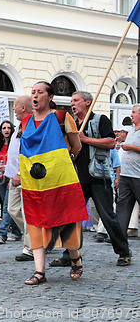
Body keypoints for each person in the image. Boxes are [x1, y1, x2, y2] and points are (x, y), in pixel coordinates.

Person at [51, 91, 132, 267]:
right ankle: (70, 255)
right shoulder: (70, 123)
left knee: (107, 216)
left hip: (97, 176)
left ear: (87, 102)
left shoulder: (100, 120)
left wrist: (86, 139)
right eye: (71, 100)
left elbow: (111, 143)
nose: (72, 103)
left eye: (76, 100)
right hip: (76, 176)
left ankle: (123, 251)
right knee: (72, 217)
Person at [20, 82, 86, 285]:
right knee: (35, 222)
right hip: (34, 183)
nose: (35, 95)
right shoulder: (25, 122)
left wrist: (62, 164)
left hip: (60, 181)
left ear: (49, 97)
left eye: (40, 92)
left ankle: (75, 258)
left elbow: (76, 146)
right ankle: (40, 271)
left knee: (65, 220)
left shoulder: (61, 117)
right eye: (33, 92)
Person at [4, 95, 34, 261]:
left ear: (23, 108)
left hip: (24, 177)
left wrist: (20, 174)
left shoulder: (31, 124)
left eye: (15, 106)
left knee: (27, 213)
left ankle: (30, 248)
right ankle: (39, 236)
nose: (13, 109)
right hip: (14, 178)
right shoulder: (20, 125)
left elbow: (29, 153)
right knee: (13, 210)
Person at [0, 120, 22, 244]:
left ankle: (2, 233)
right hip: (0, 178)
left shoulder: (15, 143)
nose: (6, 130)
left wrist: (7, 167)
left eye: (8, 128)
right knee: (8, 206)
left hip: (12, 178)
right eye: (4, 128)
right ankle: (17, 231)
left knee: (7, 207)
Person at [116, 105, 140, 242]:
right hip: (126, 175)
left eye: (133, 112)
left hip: (138, 176)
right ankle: (121, 245)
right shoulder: (131, 130)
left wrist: (130, 147)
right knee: (122, 209)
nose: (131, 115)